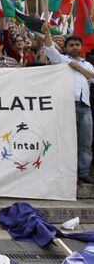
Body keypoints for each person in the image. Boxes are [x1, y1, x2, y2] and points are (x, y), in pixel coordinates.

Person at [43, 23, 94, 184]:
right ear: (65, 47)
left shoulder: (87, 64)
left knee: (85, 141)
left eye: (77, 45)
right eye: (71, 45)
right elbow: (50, 49)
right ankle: (66, 173)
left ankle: (84, 172)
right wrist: (47, 33)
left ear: (81, 47)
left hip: (85, 107)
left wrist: (78, 67)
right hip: (66, 107)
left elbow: (92, 77)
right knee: (66, 140)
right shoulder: (62, 61)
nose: (74, 47)